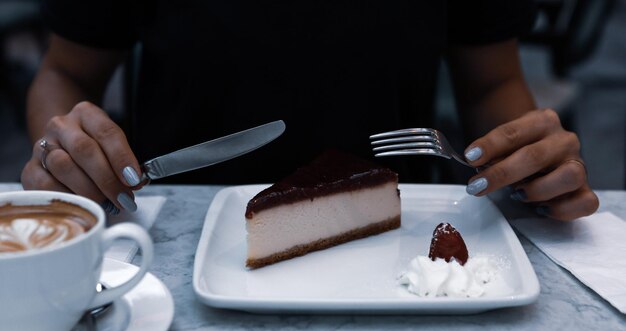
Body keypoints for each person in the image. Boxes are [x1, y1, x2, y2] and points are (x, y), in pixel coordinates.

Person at [21, 0, 598, 220]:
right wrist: (64, 149)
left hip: (396, 230)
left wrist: (526, 163)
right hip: (170, 230)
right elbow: (66, 72)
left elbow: (490, 83)